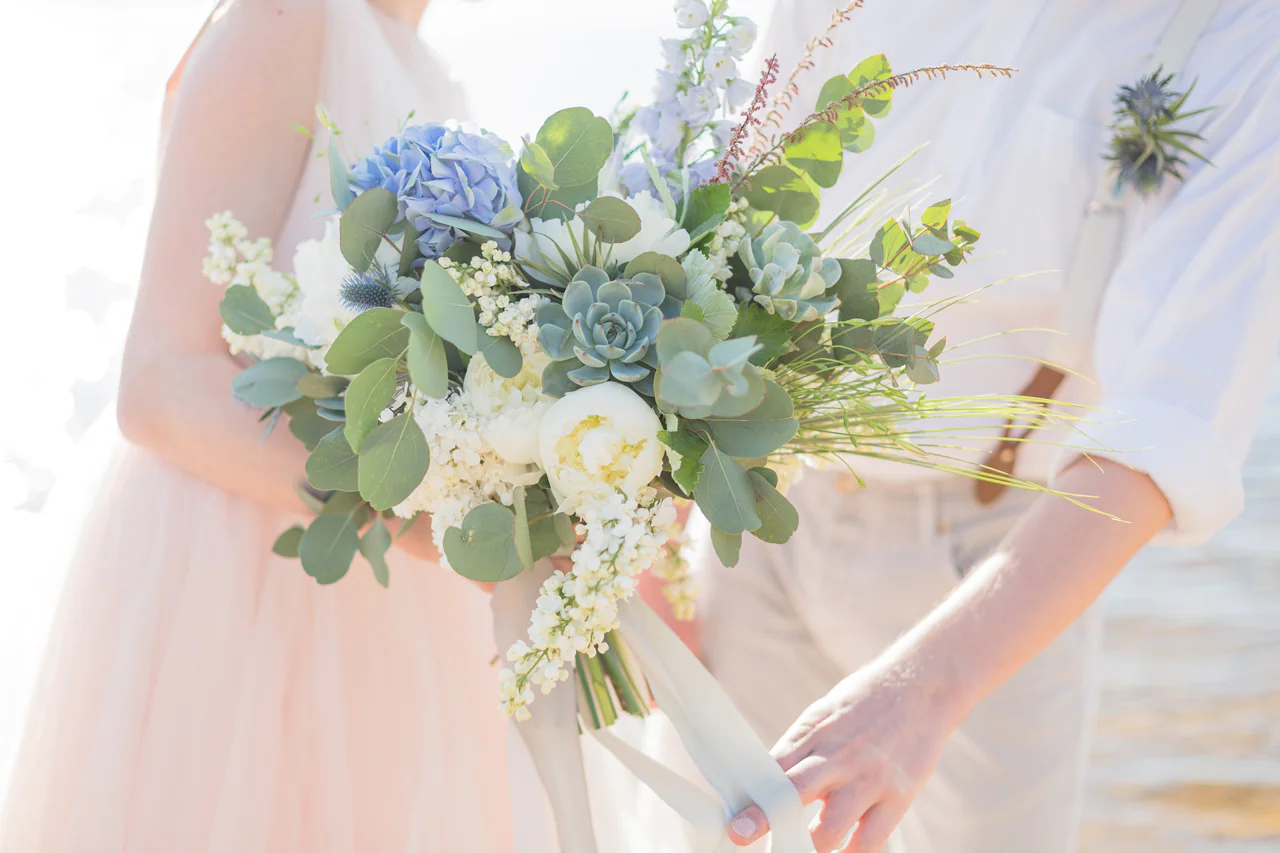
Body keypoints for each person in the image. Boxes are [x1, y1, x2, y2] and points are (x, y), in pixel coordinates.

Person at [703, 1, 1280, 851]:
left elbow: (1170, 418)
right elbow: (727, 192)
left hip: (997, 563)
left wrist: (926, 688)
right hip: (755, 508)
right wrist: (661, 520)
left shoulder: (1242, 37)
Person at [0, 1, 515, 850]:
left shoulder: (426, 67)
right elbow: (162, 382)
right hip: (237, 593)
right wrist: (434, 521)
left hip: (387, 611)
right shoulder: (289, 18)